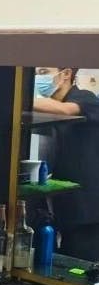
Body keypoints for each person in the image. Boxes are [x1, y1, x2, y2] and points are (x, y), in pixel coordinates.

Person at [33, 67, 99, 260]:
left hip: (87, 211)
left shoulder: (86, 98)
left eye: (44, 72)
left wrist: (21, 99)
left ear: (67, 74)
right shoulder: (49, 109)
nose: (39, 78)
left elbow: (65, 110)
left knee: (82, 264)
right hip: (65, 207)